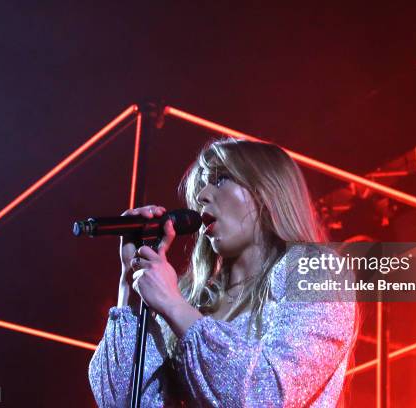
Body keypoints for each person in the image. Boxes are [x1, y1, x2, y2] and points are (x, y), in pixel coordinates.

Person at [88, 138, 358, 407]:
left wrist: (175, 307)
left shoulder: (316, 272)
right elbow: (120, 402)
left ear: (266, 191)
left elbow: (267, 394)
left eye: (220, 179)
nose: (202, 195)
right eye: (202, 185)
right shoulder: (192, 298)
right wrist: (131, 282)